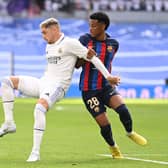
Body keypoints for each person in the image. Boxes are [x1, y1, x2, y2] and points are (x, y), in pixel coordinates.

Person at [0, 18, 120, 162]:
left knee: (39, 108)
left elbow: (92, 58)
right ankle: (9, 123)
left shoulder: (70, 43)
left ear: (55, 30)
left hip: (58, 87)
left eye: (45, 33)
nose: (43, 36)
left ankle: (35, 153)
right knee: (7, 81)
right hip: (43, 83)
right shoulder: (49, 45)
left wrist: (108, 76)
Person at [75, 12, 147, 159]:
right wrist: (85, 57)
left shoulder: (113, 44)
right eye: (90, 25)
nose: (91, 28)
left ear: (103, 26)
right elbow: (76, 65)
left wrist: (111, 78)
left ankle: (130, 132)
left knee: (123, 109)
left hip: (105, 87)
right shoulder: (84, 40)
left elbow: (108, 63)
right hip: (89, 90)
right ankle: (113, 147)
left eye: (94, 26)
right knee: (105, 124)